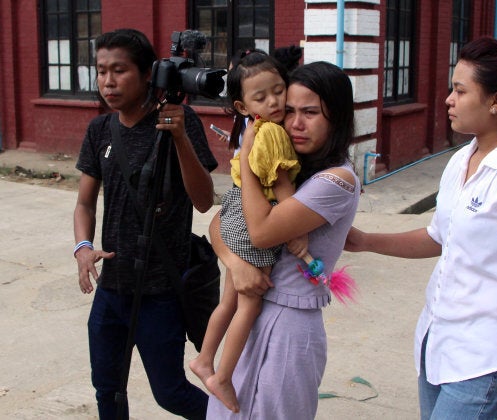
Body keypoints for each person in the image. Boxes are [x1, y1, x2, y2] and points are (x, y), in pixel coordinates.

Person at [345, 36, 497, 420]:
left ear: (496, 101)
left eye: (460, 90)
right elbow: (439, 236)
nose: (448, 99)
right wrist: (365, 241)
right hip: (437, 343)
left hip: (482, 361)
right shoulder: (461, 159)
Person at [73, 28, 217, 419]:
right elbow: (85, 203)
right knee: (107, 389)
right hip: (112, 288)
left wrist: (180, 138)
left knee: (170, 393)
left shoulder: (180, 120)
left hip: (160, 290)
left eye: (119, 70)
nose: (108, 81)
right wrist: (82, 247)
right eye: (101, 71)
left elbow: (204, 201)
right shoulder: (99, 130)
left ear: (146, 74)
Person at [205, 61, 360, 419]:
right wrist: (235, 264)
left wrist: (246, 153)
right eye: (289, 111)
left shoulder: (336, 180)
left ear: (336, 117)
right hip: (251, 315)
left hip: (291, 324)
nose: (295, 123)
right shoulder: (290, 164)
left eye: (310, 113)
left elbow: (259, 232)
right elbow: (219, 223)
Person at [189, 51, 303, 413]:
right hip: (248, 215)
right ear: (241, 105)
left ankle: (204, 359)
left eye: (278, 90)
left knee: (229, 300)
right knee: (249, 302)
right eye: (261, 97)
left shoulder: (252, 129)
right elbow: (282, 184)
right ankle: (222, 375)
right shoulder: (272, 133)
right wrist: (296, 230)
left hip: (235, 211)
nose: (274, 101)